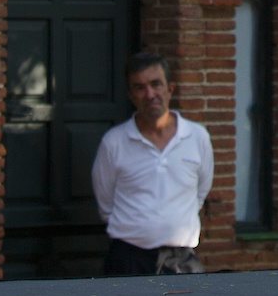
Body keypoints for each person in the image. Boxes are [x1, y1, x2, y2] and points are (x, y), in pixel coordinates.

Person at [91, 53, 214, 275]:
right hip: (128, 260)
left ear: (170, 88)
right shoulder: (114, 142)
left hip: (181, 261)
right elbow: (106, 204)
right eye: (140, 87)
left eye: (156, 84)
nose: (150, 95)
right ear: (130, 95)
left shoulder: (197, 137)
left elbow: (200, 194)